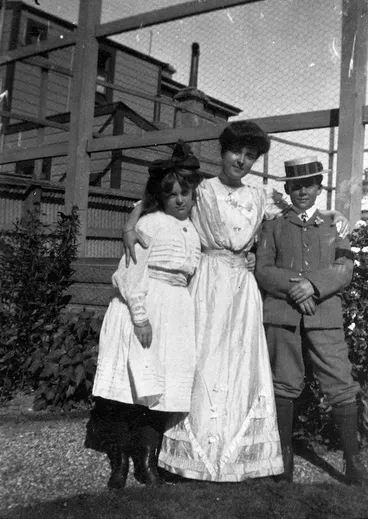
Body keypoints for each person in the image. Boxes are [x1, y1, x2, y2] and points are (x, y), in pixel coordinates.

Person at [123, 122, 349, 482]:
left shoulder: (261, 195)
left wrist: (334, 217)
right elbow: (155, 199)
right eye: (235, 153)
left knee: (242, 366)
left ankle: (239, 457)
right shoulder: (200, 188)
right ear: (222, 151)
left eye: (250, 156)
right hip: (207, 284)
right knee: (204, 364)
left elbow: (301, 210)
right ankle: (194, 458)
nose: (241, 161)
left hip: (242, 290)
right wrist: (130, 224)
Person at [85, 140, 202, 490]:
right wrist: (140, 316)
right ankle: (119, 465)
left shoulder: (195, 230)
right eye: (172, 195)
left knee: (160, 393)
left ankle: (147, 464)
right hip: (144, 307)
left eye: (185, 193)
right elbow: (129, 273)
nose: (180, 200)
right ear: (162, 197)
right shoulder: (149, 223)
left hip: (176, 311)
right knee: (129, 393)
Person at [255, 156, 368, 485]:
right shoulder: (272, 225)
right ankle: (284, 457)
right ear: (287, 188)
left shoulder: (335, 225)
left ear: (320, 188)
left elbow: (344, 267)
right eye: (295, 185)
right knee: (283, 382)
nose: (302, 191)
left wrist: (314, 287)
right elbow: (263, 269)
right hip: (283, 316)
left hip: (325, 316)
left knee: (341, 383)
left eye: (309, 185)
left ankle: (351, 460)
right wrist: (297, 290)